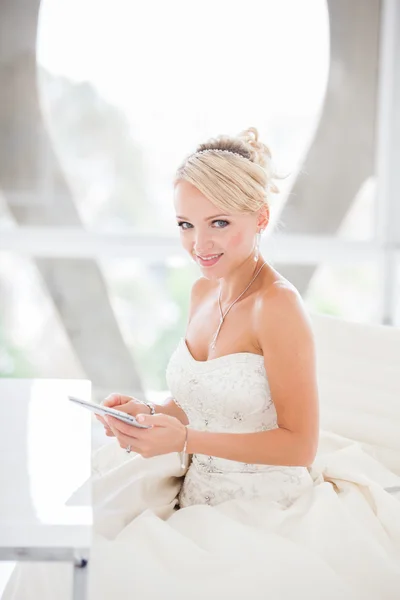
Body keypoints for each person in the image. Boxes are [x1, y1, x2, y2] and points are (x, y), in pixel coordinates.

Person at [3, 127, 400, 600]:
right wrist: (149, 415)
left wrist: (186, 439)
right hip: (192, 491)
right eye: (185, 225)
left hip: (263, 508)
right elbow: (204, 398)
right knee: (61, 556)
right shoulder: (202, 291)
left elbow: (300, 445)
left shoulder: (277, 308)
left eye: (219, 223)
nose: (199, 244)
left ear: (260, 218)